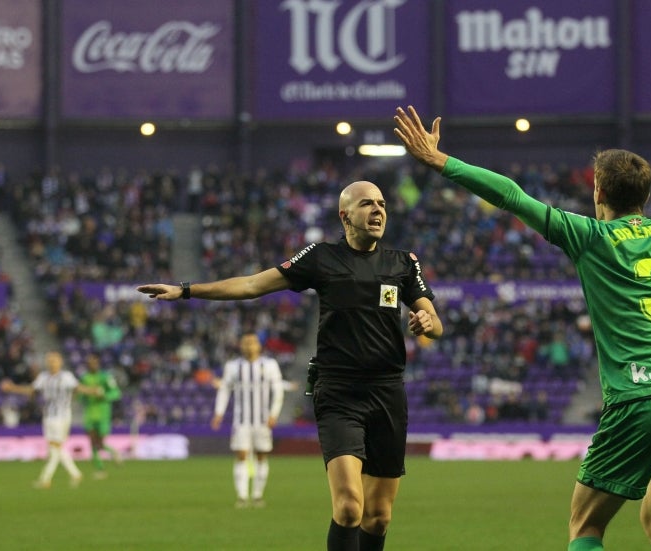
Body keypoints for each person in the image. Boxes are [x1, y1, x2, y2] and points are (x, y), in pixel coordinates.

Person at [394, 82, 651, 551]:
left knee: (586, 525)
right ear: (646, 193)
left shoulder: (588, 236)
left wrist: (442, 162)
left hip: (641, 400)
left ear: (598, 191)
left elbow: (512, 196)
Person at [137, 179, 443, 551]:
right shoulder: (321, 257)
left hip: (388, 393)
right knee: (348, 507)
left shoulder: (403, 263)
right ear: (345, 216)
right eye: (367, 204)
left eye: (381, 203)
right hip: (338, 392)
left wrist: (428, 322)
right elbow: (251, 285)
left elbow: (434, 320)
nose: (378, 210)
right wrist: (186, 290)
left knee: (378, 517)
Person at [0, 350, 104, 489]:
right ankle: (75, 474)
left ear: (60, 362)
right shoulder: (44, 377)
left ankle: (45, 479)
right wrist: (13, 388)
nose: (51, 363)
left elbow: (77, 388)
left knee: (55, 447)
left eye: (54, 360)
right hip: (48, 416)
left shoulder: (66, 377)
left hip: (61, 416)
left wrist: (92, 391)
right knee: (57, 447)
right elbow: (32, 390)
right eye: (49, 360)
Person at [211, 332, 285, 508]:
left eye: (252, 343)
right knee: (241, 456)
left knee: (261, 456)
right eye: (245, 343)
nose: (248, 346)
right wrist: (218, 413)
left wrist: (274, 413)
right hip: (241, 421)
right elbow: (225, 390)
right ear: (240, 346)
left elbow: (278, 391)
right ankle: (242, 496)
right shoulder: (233, 366)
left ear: (258, 345)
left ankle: (258, 495)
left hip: (262, 420)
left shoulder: (269, 365)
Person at [79, 353, 123, 479]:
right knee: (93, 442)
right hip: (90, 414)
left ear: (98, 363)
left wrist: (104, 395)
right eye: (89, 362)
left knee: (100, 443)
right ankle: (100, 469)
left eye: (94, 362)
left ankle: (113, 452)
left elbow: (116, 393)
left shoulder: (105, 377)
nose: (91, 365)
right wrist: (83, 396)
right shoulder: (84, 378)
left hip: (103, 413)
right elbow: (80, 396)